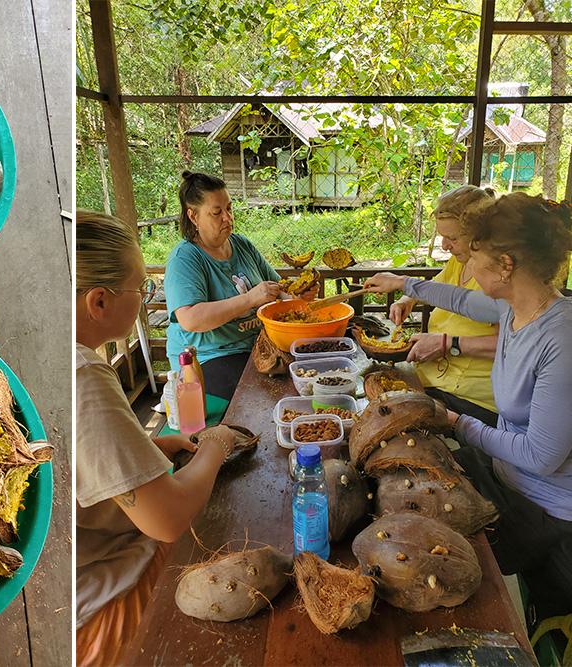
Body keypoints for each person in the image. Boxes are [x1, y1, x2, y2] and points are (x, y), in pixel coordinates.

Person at [364, 192, 572, 617]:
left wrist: (457, 422)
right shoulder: (514, 307)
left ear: (505, 265)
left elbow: (542, 455)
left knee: (430, 573)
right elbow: (458, 299)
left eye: (473, 257)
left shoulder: (561, 339)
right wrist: (405, 284)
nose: (468, 269)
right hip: (506, 477)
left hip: (545, 507)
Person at [76, 210, 246, 666]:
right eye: (142, 289)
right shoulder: (85, 373)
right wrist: (215, 444)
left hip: (97, 565)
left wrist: (146, 452)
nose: (146, 297)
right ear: (99, 303)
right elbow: (167, 519)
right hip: (103, 599)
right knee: (226, 536)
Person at [164, 171, 315, 399]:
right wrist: (250, 298)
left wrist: (299, 297)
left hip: (258, 346)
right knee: (262, 396)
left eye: (229, 209)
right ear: (193, 216)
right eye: (217, 212)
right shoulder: (185, 259)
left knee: (306, 376)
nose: (227, 218)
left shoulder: (242, 244)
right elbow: (191, 319)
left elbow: (278, 289)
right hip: (209, 357)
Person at [389, 185, 499, 425]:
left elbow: (510, 345)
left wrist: (448, 344)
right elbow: (439, 285)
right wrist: (408, 299)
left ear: (480, 234)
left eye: (453, 238)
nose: (444, 246)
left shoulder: (499, 275)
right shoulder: (461, 261)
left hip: (469, 399)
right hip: (430, 377)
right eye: (442, 236)